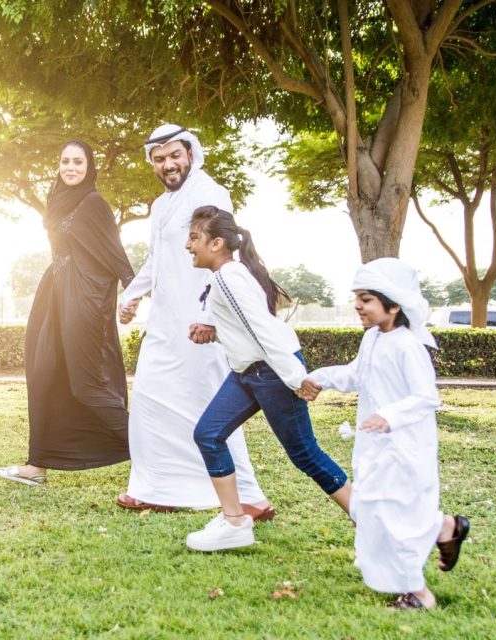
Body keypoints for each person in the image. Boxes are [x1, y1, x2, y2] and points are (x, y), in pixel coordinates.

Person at [116, 124, 273, 517]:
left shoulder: (210, 193)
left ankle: (250, 497)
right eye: (160, 158)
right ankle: (154, 486)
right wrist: (132, 294)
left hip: (200, 324)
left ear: (190, 154)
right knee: (151, 398)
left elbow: (221, 256)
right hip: (164, 323)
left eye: (175, 156)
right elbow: (158, 260)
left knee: (208, 399)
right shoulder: (159, 206)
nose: (168, 164)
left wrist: (208, 316)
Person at [299, 258, 470, 610]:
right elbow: (355, 375)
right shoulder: (373, 339)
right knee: (377, 511)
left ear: (393, 305)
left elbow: (426, 397)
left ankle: (419, 593)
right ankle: (444, 527)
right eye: (357, 298)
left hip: (404, 449)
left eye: (366, 299)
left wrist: (388, 417)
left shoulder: (409, 346)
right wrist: (318, 377)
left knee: (394, 517)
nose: (358, 306)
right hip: (375, 447)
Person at [184, 205, 352, 551]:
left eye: (194, 238)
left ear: (216, 243)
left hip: (272, 372)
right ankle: (234, 522)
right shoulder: (229, 275)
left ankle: (370, 520)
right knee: (209, 434)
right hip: (248, 372)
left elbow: (261, 328)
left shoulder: (228, 276)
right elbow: (247, 325)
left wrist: (295, 378)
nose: (189, 245)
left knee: (305, 454)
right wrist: (213, 330)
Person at [0, 140, 135, 485]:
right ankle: (37, 465)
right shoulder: (58, 201)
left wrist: (132, 293)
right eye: (65, 161)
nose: (71, 167)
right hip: (56, 295)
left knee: (86, 384)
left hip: (83, 301)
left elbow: (115, 254)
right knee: (45, 373)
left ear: (90, 167)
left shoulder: (93, 203)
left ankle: (161, 448)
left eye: (78, 162)